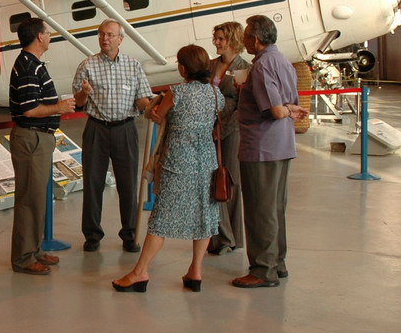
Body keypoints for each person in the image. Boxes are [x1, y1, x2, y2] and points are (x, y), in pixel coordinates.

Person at [111, 45, 224, 293]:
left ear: (182, 68)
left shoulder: (176, 92)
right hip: (206, 163)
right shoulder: (215, 94)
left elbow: (157, 116)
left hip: (178, 162)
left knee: (161, 219)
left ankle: (140, 272)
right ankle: (195, 271)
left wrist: (159, 105)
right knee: (204, 217)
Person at [232, 15, 308, 288]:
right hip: (282, 145)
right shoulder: (283, 61)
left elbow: (276, 110)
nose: (243, 41)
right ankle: (277, 263)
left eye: (246, 36)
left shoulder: (262, 66)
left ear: (255, 39)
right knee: (275, 209)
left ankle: (263, 270)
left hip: (261, 148)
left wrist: (284, 109)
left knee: (259, 211)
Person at [72, 19, 152, 253]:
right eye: (101, 34)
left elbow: (142, 98)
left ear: (120, 39)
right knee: (93, 183)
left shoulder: (133, 65)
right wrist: (84, 93)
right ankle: (92, 235)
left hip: (125, 129)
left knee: (128, 184)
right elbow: (78, 102)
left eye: (109, 35)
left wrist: (154, 107)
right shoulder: (87, 65)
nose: (104, 39)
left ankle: (130, 234)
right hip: (96, 129)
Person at [9, 17, 76, 275]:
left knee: (37, 198)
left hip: (38, 138)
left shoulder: (33, 64)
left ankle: (34, 250)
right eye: (47, 32)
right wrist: (59, 107)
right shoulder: (28, 67)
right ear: (39, 37)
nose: (49, 36)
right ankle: (24, 258)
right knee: (29, 200)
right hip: (31, 138)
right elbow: (29, 109)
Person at [207, 21, 250, 255]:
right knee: (212, 181)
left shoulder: (244, 68)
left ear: (232, 40)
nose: (216, 42)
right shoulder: (210, 65)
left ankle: (232, 236)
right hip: (209, 128)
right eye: (215, 38)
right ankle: (220, 236)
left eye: (221, 39)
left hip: (231, 131)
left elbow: (243, 105)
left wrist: (223, 129)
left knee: (230, 181)